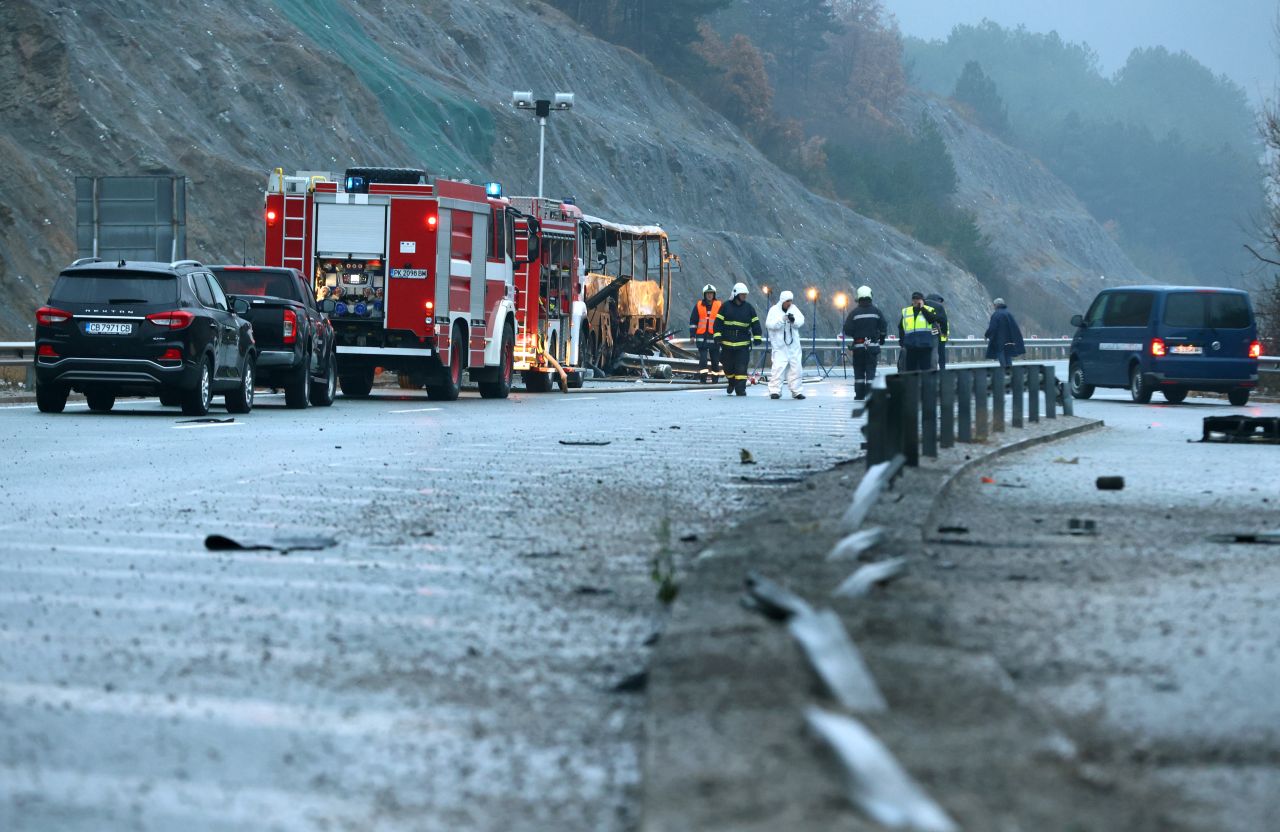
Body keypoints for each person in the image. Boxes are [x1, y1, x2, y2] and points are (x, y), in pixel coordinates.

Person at [715, 282, 763, 397]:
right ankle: (731, 382)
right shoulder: (725, 307)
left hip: (743, 345)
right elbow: (718, 323)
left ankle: (740, 389)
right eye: (742, 294)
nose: (744, 297)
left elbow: (755, 323)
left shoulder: (749, 308)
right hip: (727, 344)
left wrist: (757, 337)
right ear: (735, 294)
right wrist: (717, 336)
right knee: (728, 367)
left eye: (745, 295)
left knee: (741, 367)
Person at [843, 285, 887, 400]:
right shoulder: (877, 312)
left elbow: (847, 329)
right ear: (870, 296)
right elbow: (883, 326)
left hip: (858, 347)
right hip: (872, 347)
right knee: (870, 371)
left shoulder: (854, 313)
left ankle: (859, 395)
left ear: (859, 297)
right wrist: (881, 339)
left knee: (859, 372)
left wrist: (856, 335)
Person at [765, 290, 806, 400]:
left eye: (791, 301)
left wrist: (793, 320)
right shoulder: (773, 310)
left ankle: (796, 391)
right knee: (778, 369)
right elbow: (769, 324)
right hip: (780, 346)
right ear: (782, 300)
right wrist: (781, 320)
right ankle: (775, 391)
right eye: (788, 301)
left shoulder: (794, 309)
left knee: (797, 368)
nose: (790, 303)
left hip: (793, 346)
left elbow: (801, 320)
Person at [688, 284, 722, 384]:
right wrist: (692, 335)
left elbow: (723, 322)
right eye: (707, 293)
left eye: (711, 293)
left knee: (715, 361)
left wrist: (722, 336)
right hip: (701, 338)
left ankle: (715, 380)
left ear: (714, 294)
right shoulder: (698, 306)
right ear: (704, 294)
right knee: (703, 361)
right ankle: (703, 379)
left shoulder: (719, 306)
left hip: (715, 338)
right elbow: (693, 322)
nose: (709, 295)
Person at [898, 291, 939, 372]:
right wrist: (902, 342)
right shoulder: (906, 311)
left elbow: (932, 319)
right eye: (914, 299)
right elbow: (901, 327)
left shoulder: (929, 310)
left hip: (925, 346)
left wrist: (922, 308)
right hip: (911, 347)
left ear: (922, 300)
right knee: (911, 371)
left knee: (925, 371)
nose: (915, 301)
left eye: (918, 299)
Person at [985, 298, 1026, 369]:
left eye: (994, 305)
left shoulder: (996, 314)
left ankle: (1003, 369)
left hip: (999, 340)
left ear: (996, 305)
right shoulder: (1008, 314)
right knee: (1008, 354)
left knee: (1000, 353)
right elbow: (1014, 327)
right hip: (1009, 340)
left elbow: (992, 327)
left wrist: (987, 335)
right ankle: (1009, 371)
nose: (993, 306)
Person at [925, 292, 949, 371]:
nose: (940, 303)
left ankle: (939, 368)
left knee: (937, 354)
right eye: (939, 301)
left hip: (938, 335)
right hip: (937, 335)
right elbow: (944, 323)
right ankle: (941, 369)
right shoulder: (937, 309)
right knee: (939, 354)